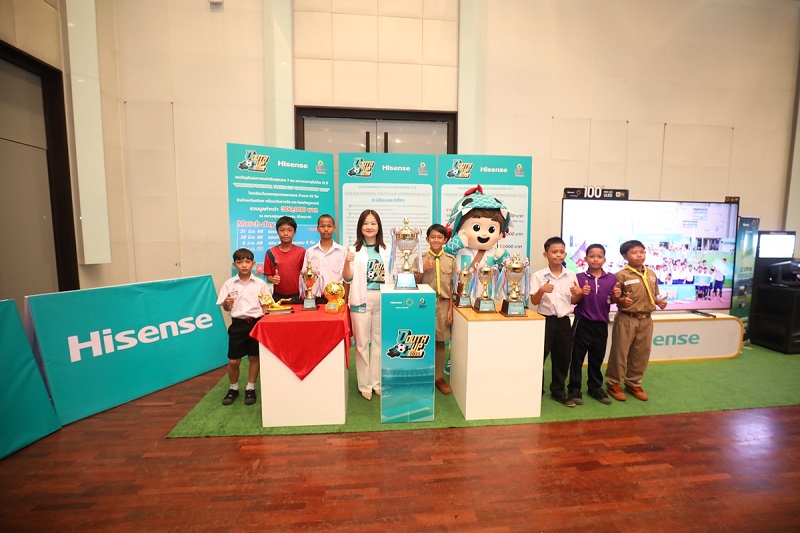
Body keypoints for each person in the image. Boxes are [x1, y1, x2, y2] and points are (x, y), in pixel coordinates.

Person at [605, 240, 668, 402]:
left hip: (646, 319)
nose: (639, 255)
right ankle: (613, 383)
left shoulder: (651, 274)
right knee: (620, 353)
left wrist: (658, 302)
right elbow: (613, 298)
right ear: (625, 256)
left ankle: (633, 383)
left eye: (642, 252)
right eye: (634, 252)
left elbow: (653, 295)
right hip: (627, 318)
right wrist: (621, 300)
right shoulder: (620, 275)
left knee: (641, 353)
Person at [342, 209, 391, 401]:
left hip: (383, 299)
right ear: (360, 227)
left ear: (379, 227)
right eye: (365, 223)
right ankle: (364, 384)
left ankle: (377, 382)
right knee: (362, 344)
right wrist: (347, 262)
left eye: (373, 223)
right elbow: (347, 278)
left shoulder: (387, 250)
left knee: (379, 343)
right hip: (361, 300)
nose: (369, 227)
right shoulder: (352, 250)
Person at [567, 244, 622, 406]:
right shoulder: (578, 277)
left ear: (604, 259)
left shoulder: (611, 279)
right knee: (576, 358)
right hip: (582, 322)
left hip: (601, 324)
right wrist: (581, 293)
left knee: (597, 358)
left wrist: (617, 296)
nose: (595, 259)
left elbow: (611, 300)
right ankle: (574, 388)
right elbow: (573, 301)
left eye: (599, 256)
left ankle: (595, 387)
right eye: (592, 256)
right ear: (585, 259)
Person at [216, 248, 270, 406]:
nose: (244, 265)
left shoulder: (260, 284)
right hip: (237, 325)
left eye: (247, 262)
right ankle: (233, 388)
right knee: (234, 361)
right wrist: (227, 304)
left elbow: (266, 306)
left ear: (253, 263)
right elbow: (226, 307)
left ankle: (250, 387)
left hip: (256, 324)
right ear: (234, 265)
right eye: (240, 262)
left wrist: (265, 320)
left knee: (254, 357)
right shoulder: (229, 284)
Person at [530, 236, 580, 407]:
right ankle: (536, 389)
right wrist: (542, 290)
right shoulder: (539, 276)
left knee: (562, 357)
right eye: (554, 252)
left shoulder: (571, 275)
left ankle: (558, 391)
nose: (558, 255)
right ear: (546, 254)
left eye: (561, 252)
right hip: (545, 321)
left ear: (565, 254)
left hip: (564, 322)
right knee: (540, 356)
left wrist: (579, 293)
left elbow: (574, 300)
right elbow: (534, 301)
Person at [412, 224, 456, 395]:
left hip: (443, 305)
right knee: (421, 341)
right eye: (433, 237)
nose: (436, 240)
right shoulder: (420, 259)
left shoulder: (450, 260)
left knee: (440, 342)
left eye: (439, 237)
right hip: (423, 305)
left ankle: (438, 377)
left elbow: (451, 286)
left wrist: (450, 309)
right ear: (427, 239)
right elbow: (412, 283)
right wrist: (423, 269)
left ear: (445, 240)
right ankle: (421, 376)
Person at [303, 214, 347, 305]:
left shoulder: (342, 251)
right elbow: (305, 277)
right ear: (317, 228)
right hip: (316, 298)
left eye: (329, 226)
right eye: (322, 226)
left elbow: (346, 278)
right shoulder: (310, 251)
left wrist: (345, 300)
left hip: (337, 297)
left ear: (334, 228)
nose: (326, 229)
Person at [263, 216, 306, 304]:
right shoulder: (270, 252)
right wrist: (273, 279)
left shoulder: (301, 252)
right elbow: (268, 276)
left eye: (289, 230)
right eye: (282, 230)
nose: (285, 233)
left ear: (294, 232)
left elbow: (305, 275)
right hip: (277, 297)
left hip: (297, 297)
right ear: (277, 232)